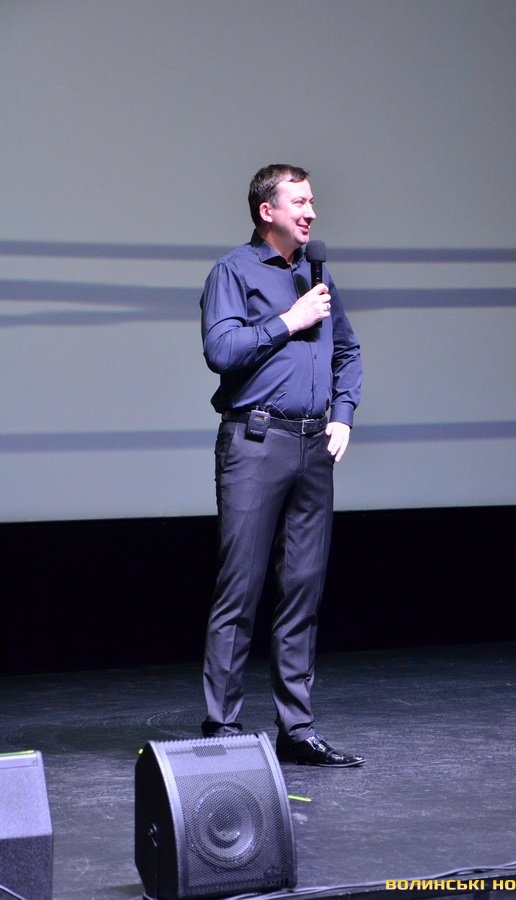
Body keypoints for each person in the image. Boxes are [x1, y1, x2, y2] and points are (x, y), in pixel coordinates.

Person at [199, 164, 364, 767]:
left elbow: (346, 350)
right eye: (299, 202)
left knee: (302, 590)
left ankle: (296, 729)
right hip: (256, 441)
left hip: (313, 446)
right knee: (239, 588)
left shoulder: (315, 277)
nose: (311, 212)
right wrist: (288, 321)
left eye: (312, 201)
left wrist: (343, 413)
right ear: (267, 211)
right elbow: (221, 349)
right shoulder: (234, 272)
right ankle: (221, 726)